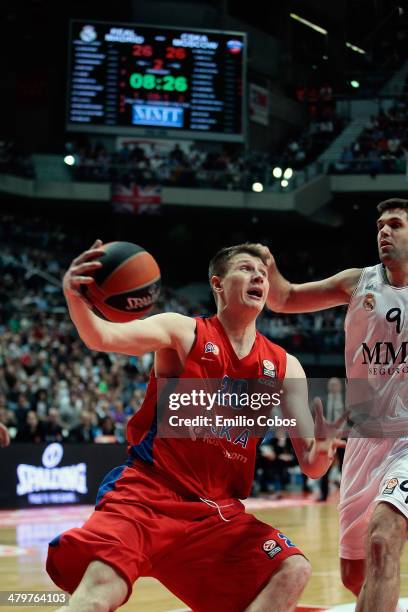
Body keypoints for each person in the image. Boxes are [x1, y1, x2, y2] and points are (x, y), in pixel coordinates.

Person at [47, 240, 345, 612]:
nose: (258, 276)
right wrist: (74, 296)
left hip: (215, 514)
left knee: (292, 569)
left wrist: (322, 450)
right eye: (245, 268)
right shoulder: (182, 332)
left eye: (263, 273)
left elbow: (312, 468)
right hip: (148, 494)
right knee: (96, 595)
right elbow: (102, 337)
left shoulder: (285, 367)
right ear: (218, 284)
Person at [264, 197, 408, 612]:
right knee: (355, 574)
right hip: (365, 439)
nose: (384, 231)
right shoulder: (357, 282)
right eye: (380, 225)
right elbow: (285, 298)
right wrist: (271, 271)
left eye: (395, 224)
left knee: (384, 538)